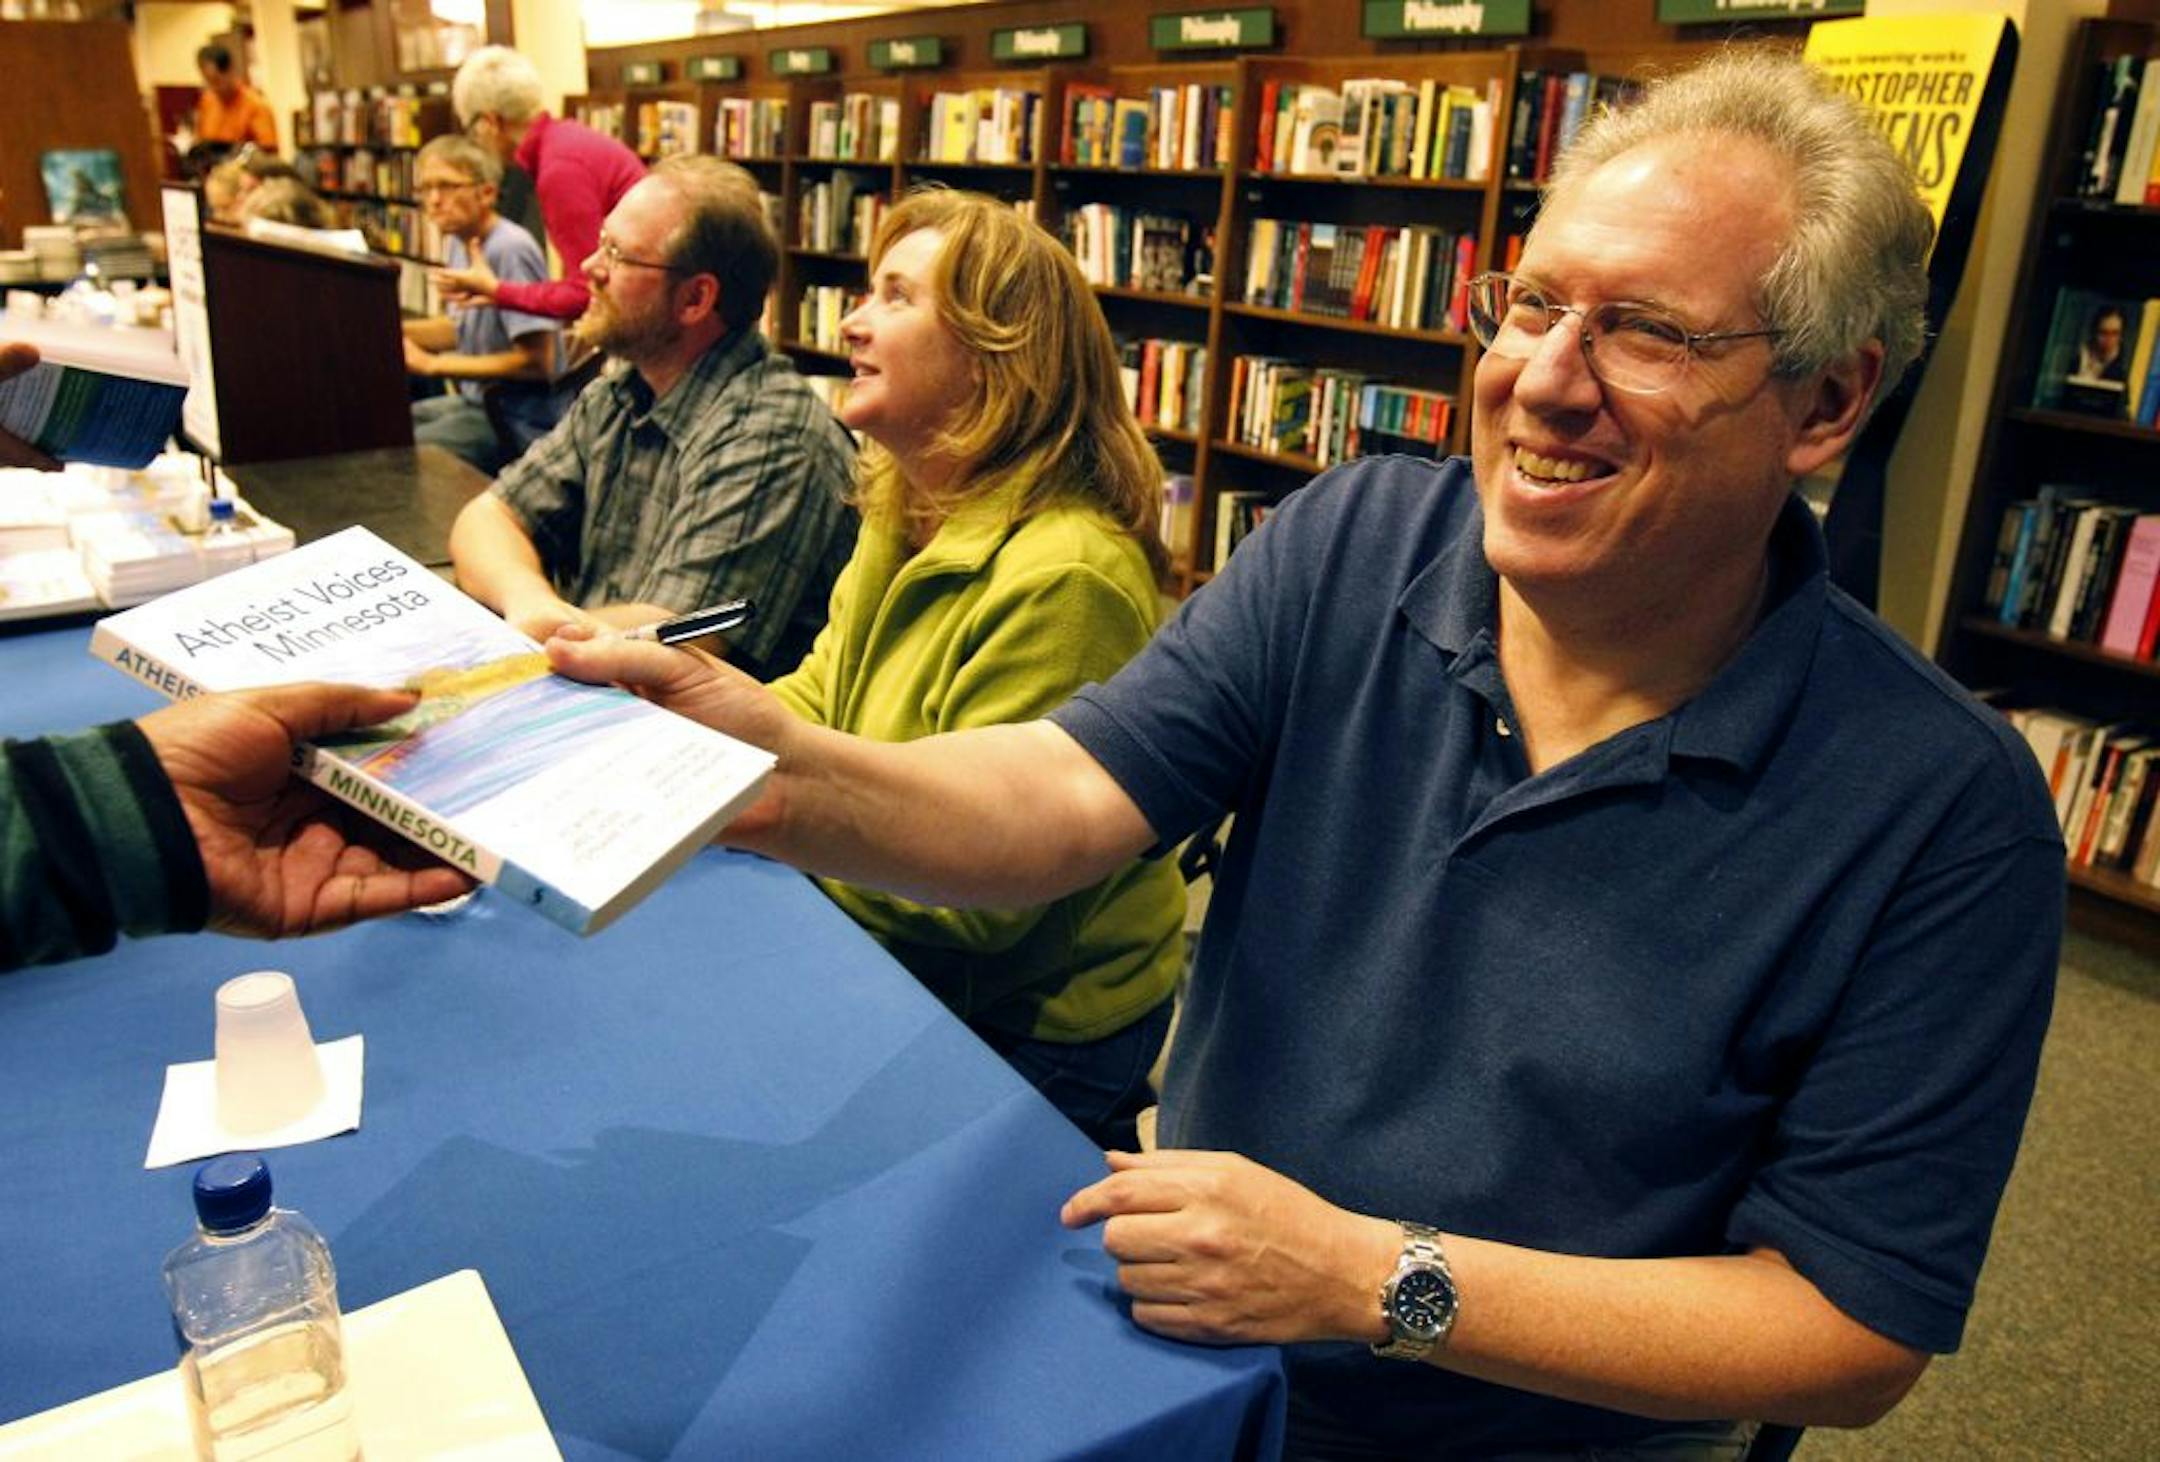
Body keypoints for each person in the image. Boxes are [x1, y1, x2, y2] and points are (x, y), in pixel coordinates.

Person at [547, 50, 2064, 1456]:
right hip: (1181, 1334)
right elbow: (1068, 795)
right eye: (1532, 305)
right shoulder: (1356, 541)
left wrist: (1366, 1278)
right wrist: (780, 770)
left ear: (1830, 401)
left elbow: (1851, 1326)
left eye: (1650, 331)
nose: (1544, 380)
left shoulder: (1940, 808)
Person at [760, 190, 1183, 1147]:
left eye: (896, 298)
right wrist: (689, 757)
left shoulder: (1069, 574)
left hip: (1036, 1022)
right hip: (894, 950)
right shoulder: (904, 502)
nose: (853, 323)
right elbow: (821, 694)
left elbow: (983, 901)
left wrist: (756, 817)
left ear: (997, 352)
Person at [451, 156, 856, 675]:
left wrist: (543, 632)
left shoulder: (773, 435)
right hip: (596, 688)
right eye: (602, 241)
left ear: (694, 298)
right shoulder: (621, 392)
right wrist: (531, 604)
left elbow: (671, 639)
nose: (589, 268)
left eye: (617, 255)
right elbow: (487, 517)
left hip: (700, 736)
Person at [436, 45, 645, 323]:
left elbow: (590, 290)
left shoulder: (559, 170)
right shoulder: (566, 141)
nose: (476, 142)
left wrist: (496, 291)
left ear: (489, 122)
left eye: (472, 129)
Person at [400, 135, 562, 474]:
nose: (433, 200)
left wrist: (433, 365)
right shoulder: (462, 242)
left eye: (446, 186)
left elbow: (537, 361)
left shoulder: (510, 248)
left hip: (514, 416)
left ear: (486, 193)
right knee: (384, 425)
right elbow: (460, 328)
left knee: (398, 451)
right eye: (425, 188)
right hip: (475, 402)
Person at [195, 43, 278, 151]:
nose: (213, 88)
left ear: (230, 71)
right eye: (208, 81)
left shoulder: (255, 105)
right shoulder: (207, 101)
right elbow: (201, 139)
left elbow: (268, 151)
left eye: (216, 81)